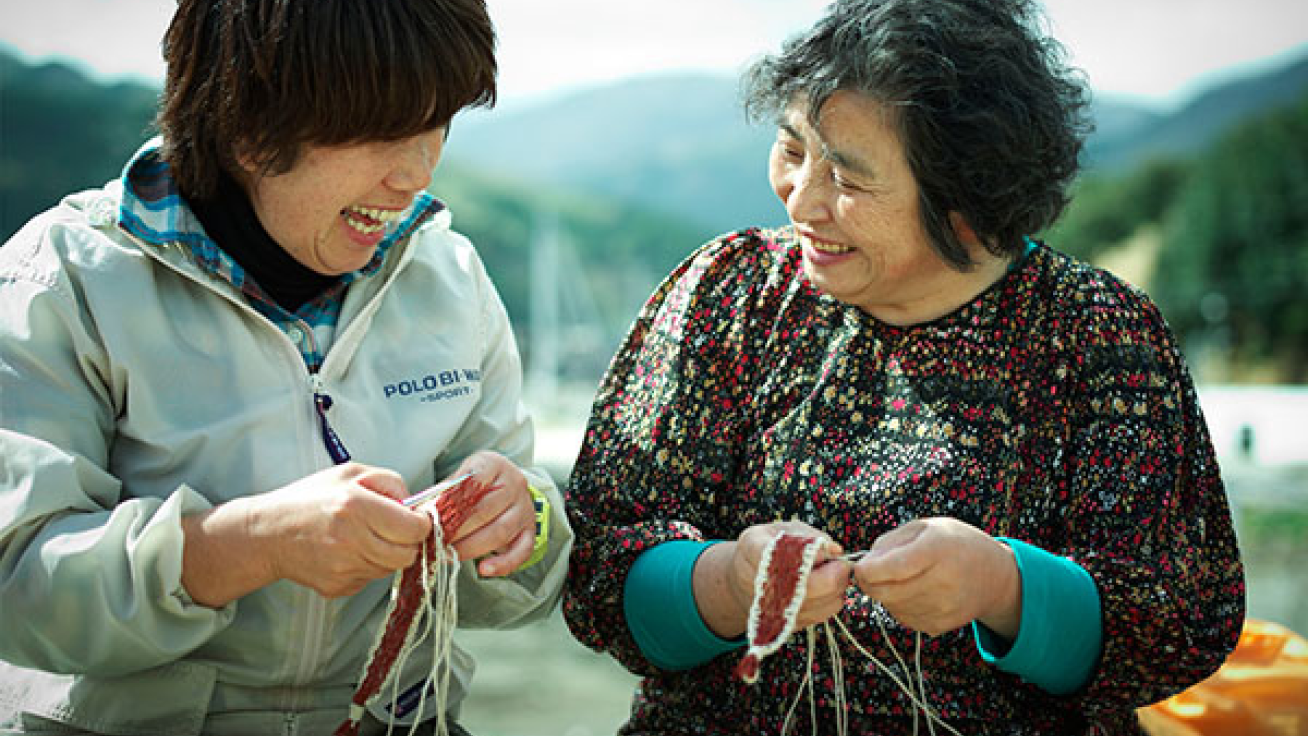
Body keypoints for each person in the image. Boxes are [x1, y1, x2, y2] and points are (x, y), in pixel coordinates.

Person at [561, 0, 1245, 733]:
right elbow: (598, 569)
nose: (804, 199)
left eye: (848, 179)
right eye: (793, 151)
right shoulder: (729, 294)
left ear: (965, 196)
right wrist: (725, 582)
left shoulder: (1097, 334)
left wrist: (1004, 588)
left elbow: (1176, 625)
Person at [0, 0, 571, 733]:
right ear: (248, 121)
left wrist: (526, 518)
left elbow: (525, 588)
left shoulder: (453, 278)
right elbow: (17, 590)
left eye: (438, 125)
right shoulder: (61, 280)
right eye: (382, 132)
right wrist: (242, 548)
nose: (416, 173)